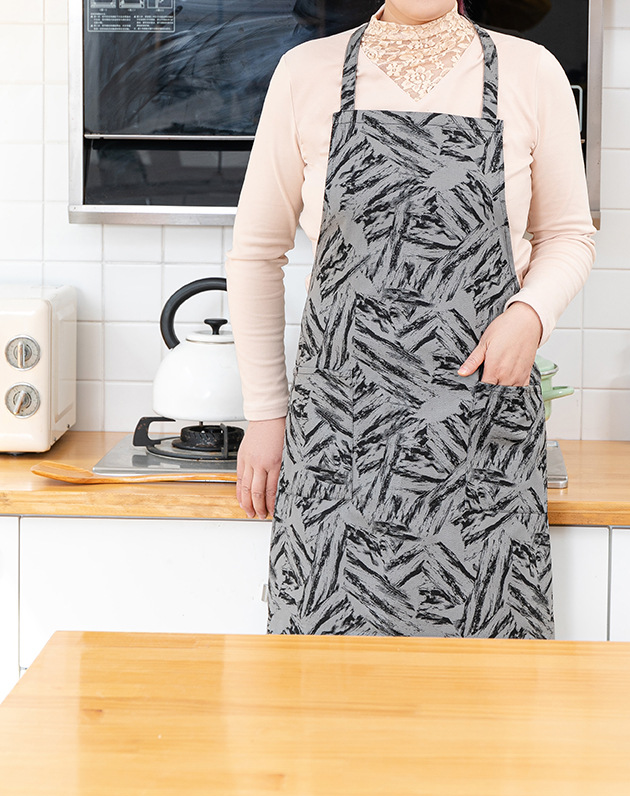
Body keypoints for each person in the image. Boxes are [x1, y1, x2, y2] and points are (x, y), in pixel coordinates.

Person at [224, 0, 595, 637]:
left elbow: (568, 235)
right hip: (339, 440)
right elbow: (256, 255)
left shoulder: (532, 71)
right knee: (326, 679)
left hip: (480, 441)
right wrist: (265, 413)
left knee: (489, 683)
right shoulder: (305, 73)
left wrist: (530, 313)